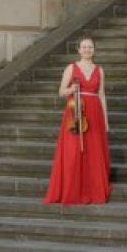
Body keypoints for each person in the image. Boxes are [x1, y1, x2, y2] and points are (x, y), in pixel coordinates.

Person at [43, 37, 111, 205]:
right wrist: (71, 89)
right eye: (84, 47)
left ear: (94, 50)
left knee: (93, 152)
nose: (87, 50)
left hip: (94, 113)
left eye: (90, 47)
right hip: (75, 114)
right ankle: (72, 190)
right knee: (74, 151)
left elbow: (101, 96)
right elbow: (61, 92)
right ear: (79, 50)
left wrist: (106, 120)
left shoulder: (99, 70)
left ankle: (93, 190)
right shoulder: (71, 68)